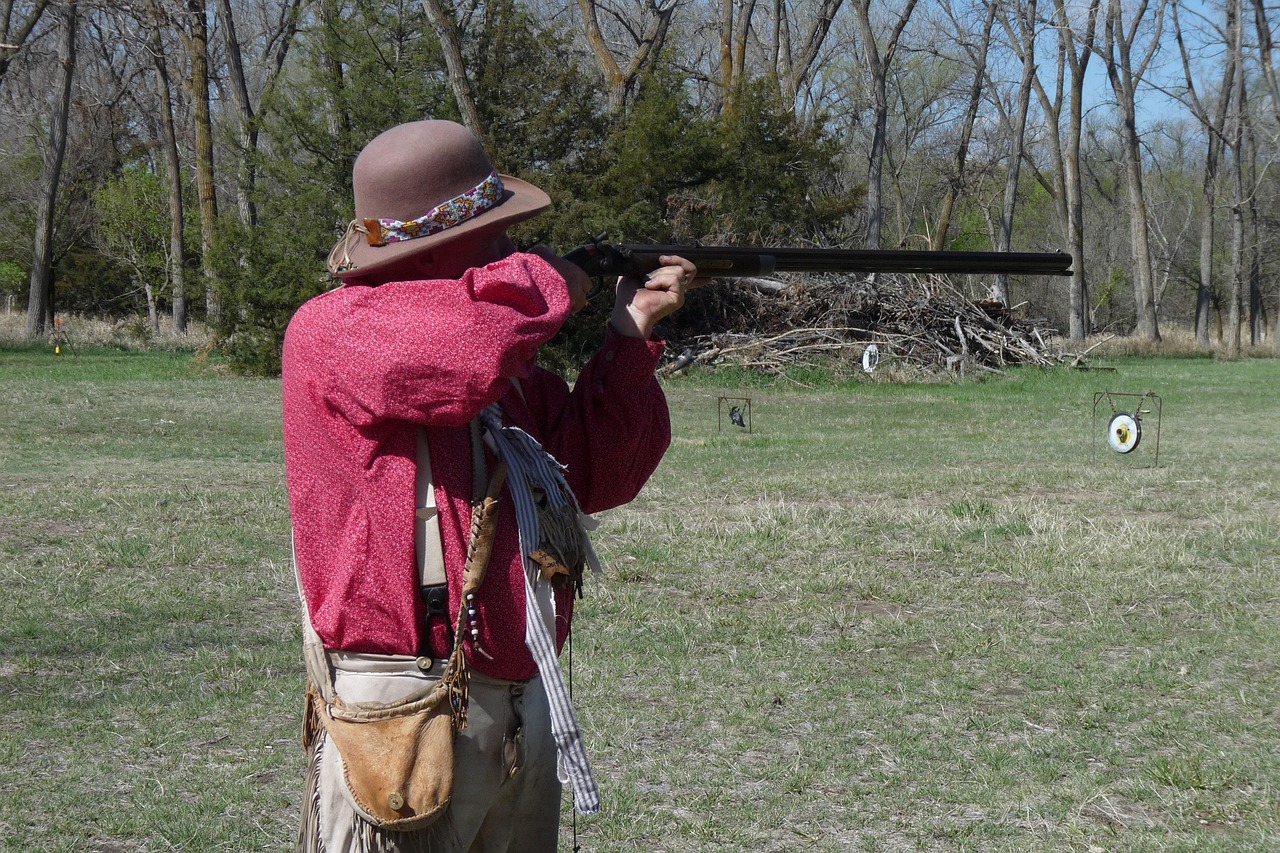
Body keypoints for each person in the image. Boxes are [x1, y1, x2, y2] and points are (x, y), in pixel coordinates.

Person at [281, 119, 696, 852]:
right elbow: (461, 353)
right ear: (440, 245)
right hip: (407, 707)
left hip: (521, 703)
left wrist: (630, 336)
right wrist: (551, 280)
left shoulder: (504, 364)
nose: (509, 244)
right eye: (493, 230)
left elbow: (601, 476)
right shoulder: (333, 330)